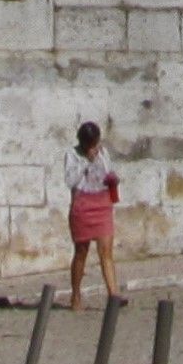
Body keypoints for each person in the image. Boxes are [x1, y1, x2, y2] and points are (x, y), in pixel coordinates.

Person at [64, 122, 127, 309]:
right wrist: (86, 162)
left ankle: (113, 294)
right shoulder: (72, 155)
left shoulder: (103, 153)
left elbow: (108, 172)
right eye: (90, 144)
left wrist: (112, 178)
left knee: (106, 252)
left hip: (102, 203)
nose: (94, 147)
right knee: (81, 252)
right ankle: (75, 295)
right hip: (82, 205)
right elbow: (70, 181)